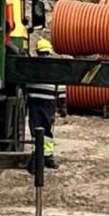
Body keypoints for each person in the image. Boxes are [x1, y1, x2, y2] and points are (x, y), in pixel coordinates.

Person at [26, 38, 65, 170]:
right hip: (47, 103)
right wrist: (62, 105)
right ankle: (45, 157)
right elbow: (61, 88)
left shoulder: (32, 66)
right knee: (45, 129)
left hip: (36, 102)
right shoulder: (55, 67)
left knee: (38, 129)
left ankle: (43, 157)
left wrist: (62, 104)